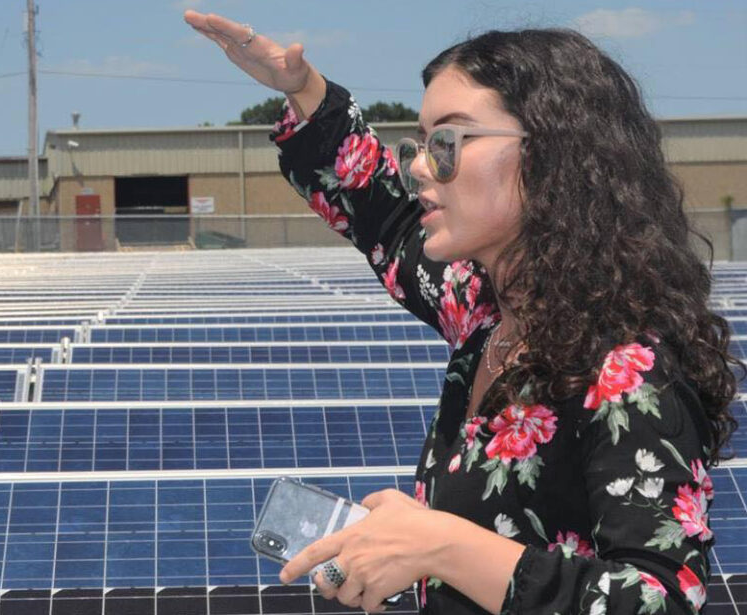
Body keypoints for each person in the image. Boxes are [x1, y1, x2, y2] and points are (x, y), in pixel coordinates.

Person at [184, 11, 740, 615]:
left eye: (447, 142)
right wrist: (303, 90)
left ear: (551, 156)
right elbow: (382, 214)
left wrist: (440, 545)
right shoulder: (484, 314)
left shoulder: (627, 368)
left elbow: (660, 600)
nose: (421, 166)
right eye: (421, 145)